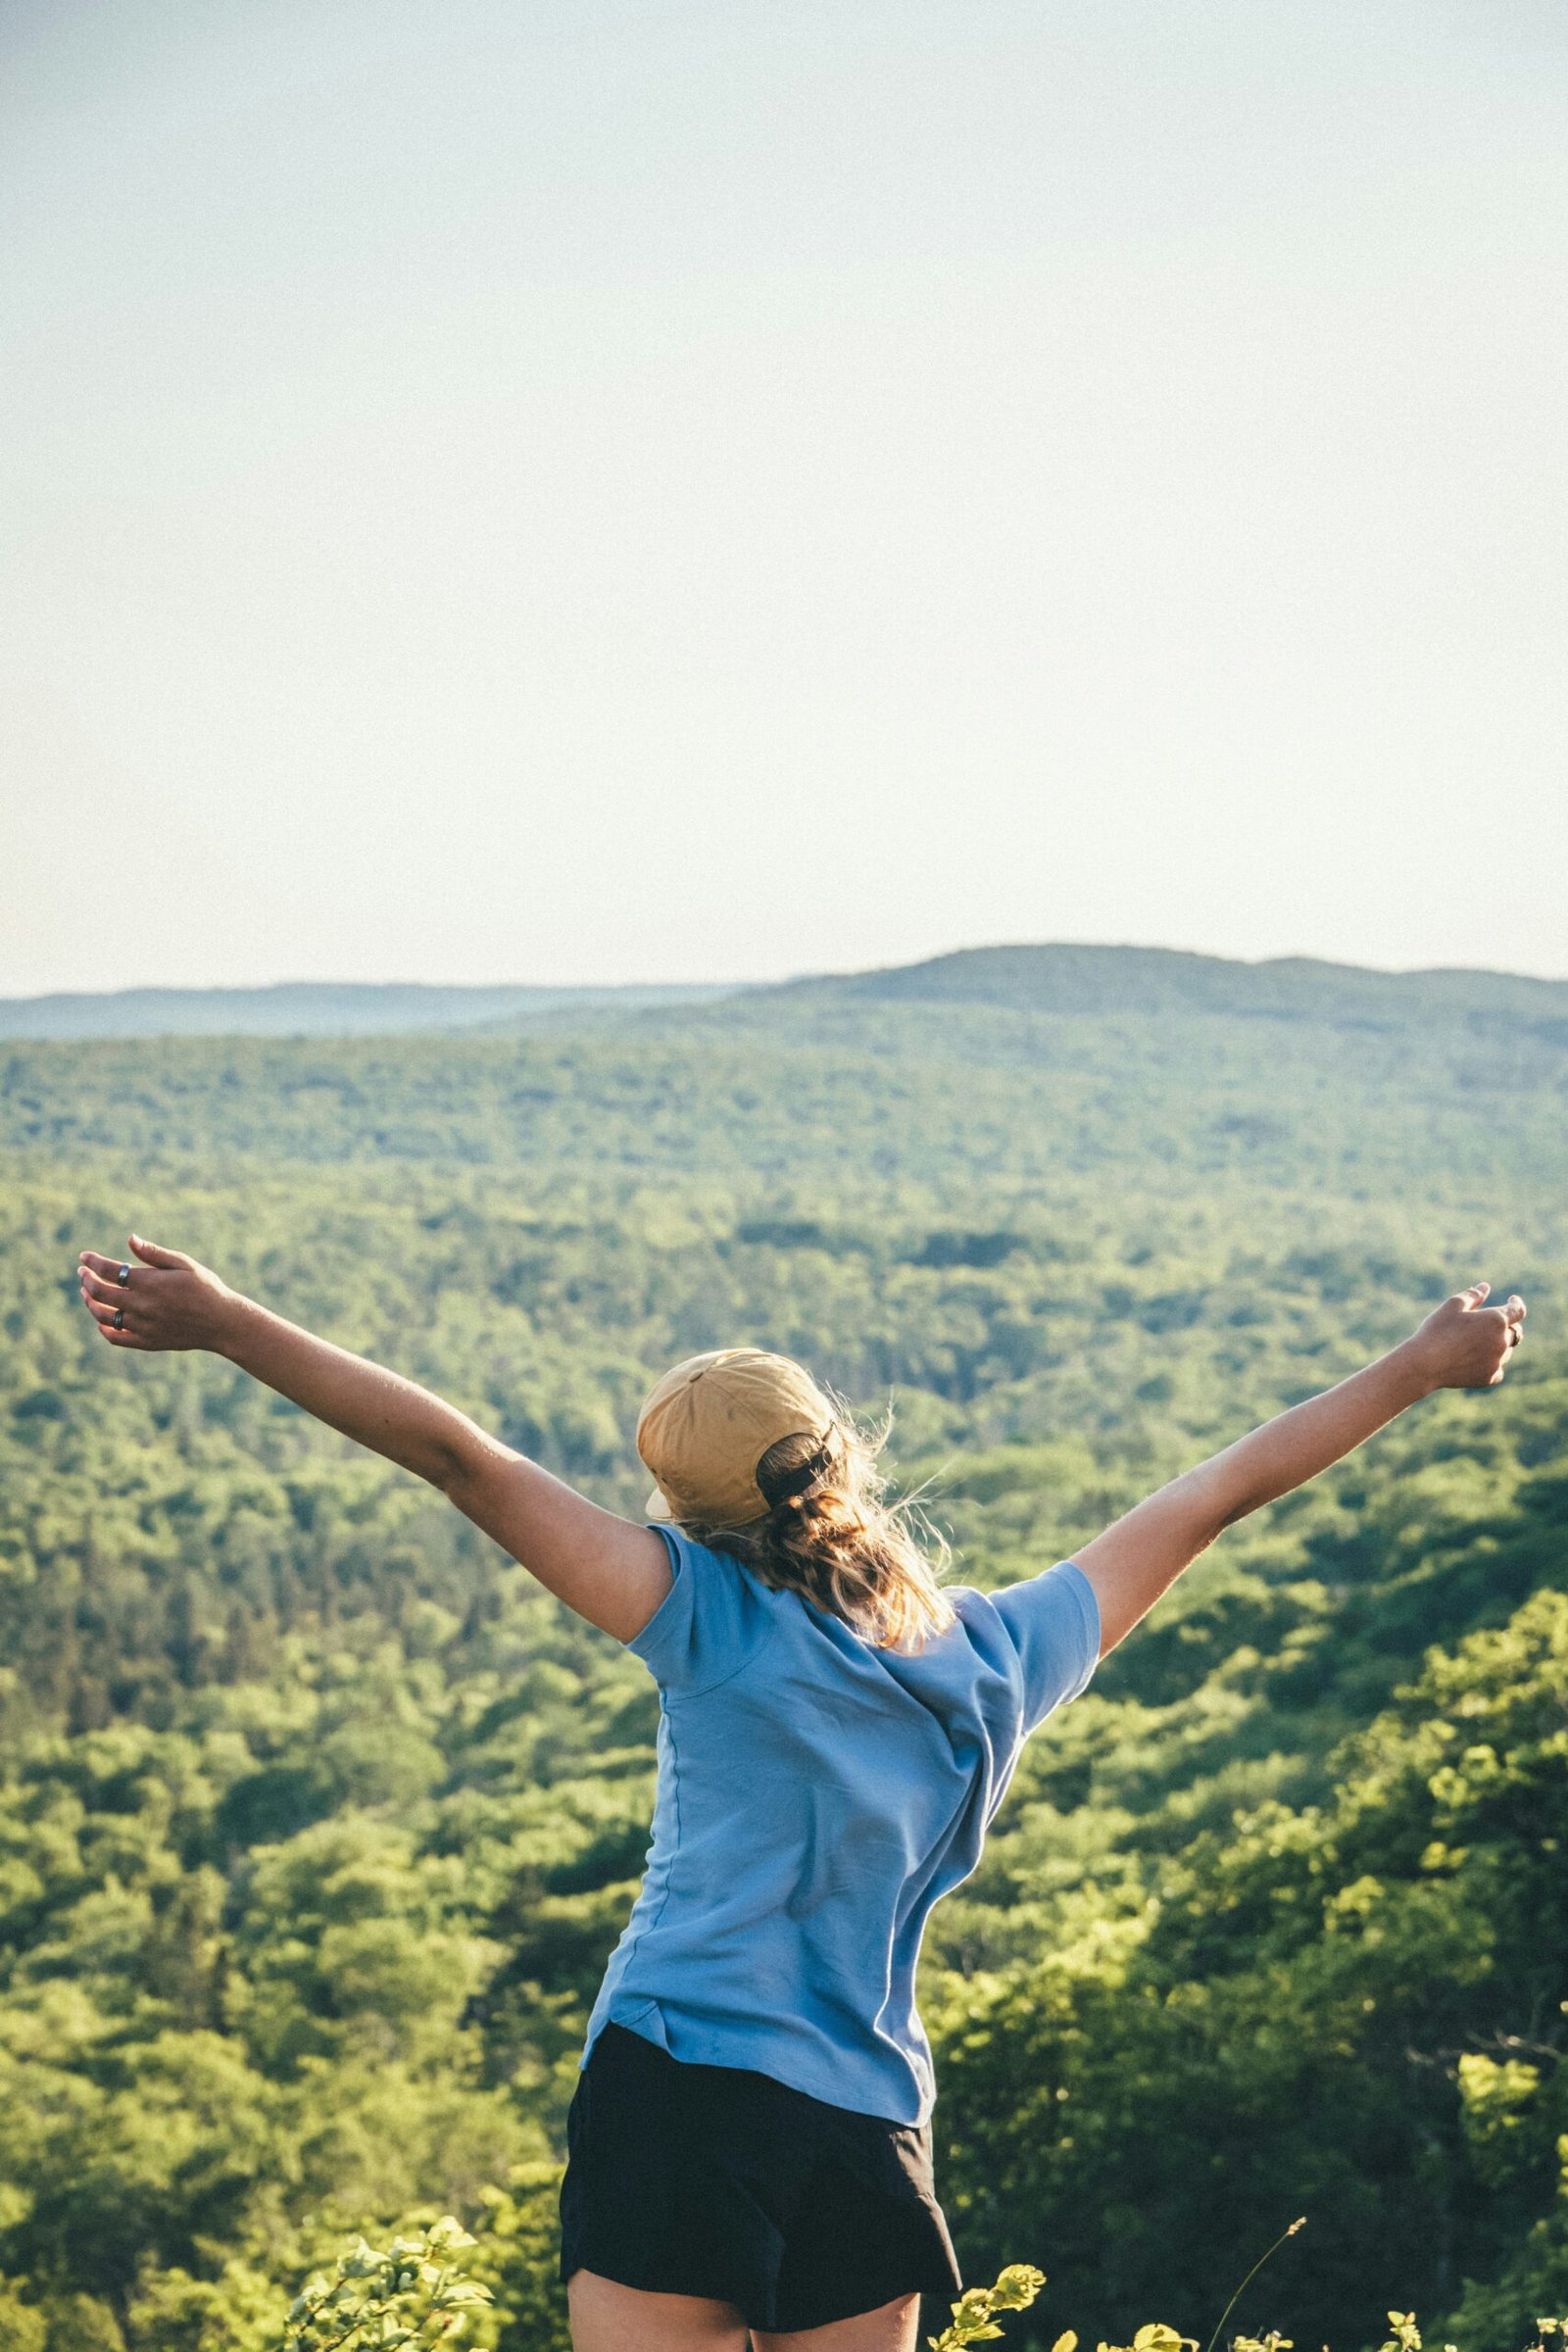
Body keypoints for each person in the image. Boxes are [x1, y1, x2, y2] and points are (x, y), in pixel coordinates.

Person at [75, 1238, 1526, 2352]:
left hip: (684, 2088)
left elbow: (464, 1456)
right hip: (869, 2127)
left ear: (688, 1513)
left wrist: (229, 1323)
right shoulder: (1000, 1654)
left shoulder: (701, 1614)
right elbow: (1208, 1495)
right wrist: (1415, 1366)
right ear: (845, 1458)